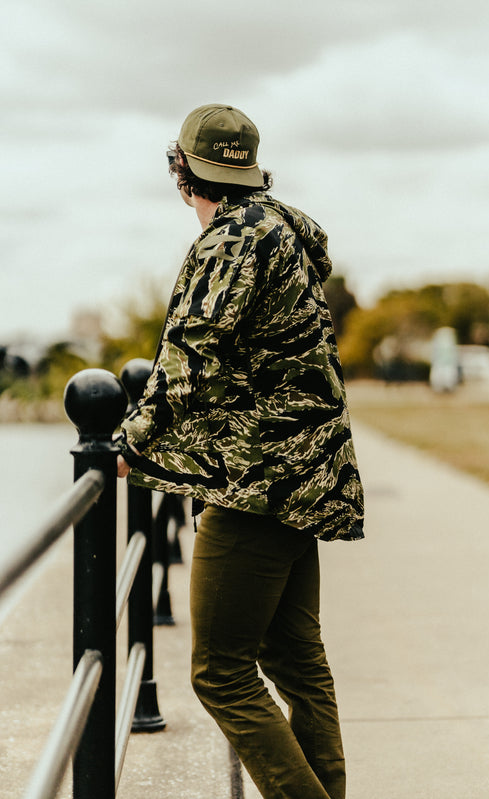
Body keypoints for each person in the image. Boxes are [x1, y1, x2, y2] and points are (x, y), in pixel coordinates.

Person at [117, 103, 364, 799]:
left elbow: (193, 356)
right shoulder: (282, 227)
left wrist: (129, 443)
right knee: (294, 660)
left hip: (259, 479)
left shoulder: (232, 240)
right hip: (306, 472)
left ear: (183, 171)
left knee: (219, 672)